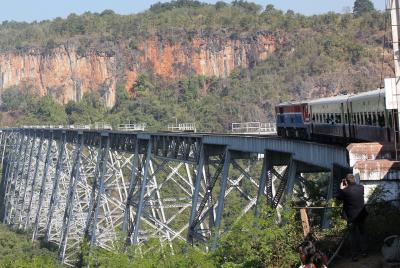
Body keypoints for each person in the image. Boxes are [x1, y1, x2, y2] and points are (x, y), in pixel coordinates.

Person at [336, 174, 368, 261]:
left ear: (346, 181)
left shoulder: (345, 191)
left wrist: (341, 188)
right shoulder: (361, 188)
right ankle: (364, 252)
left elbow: (338, 198)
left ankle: (354, 255)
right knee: (362, 234)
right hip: (361, 215)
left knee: (352, 236)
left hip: (351, 217)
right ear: (354, 179)